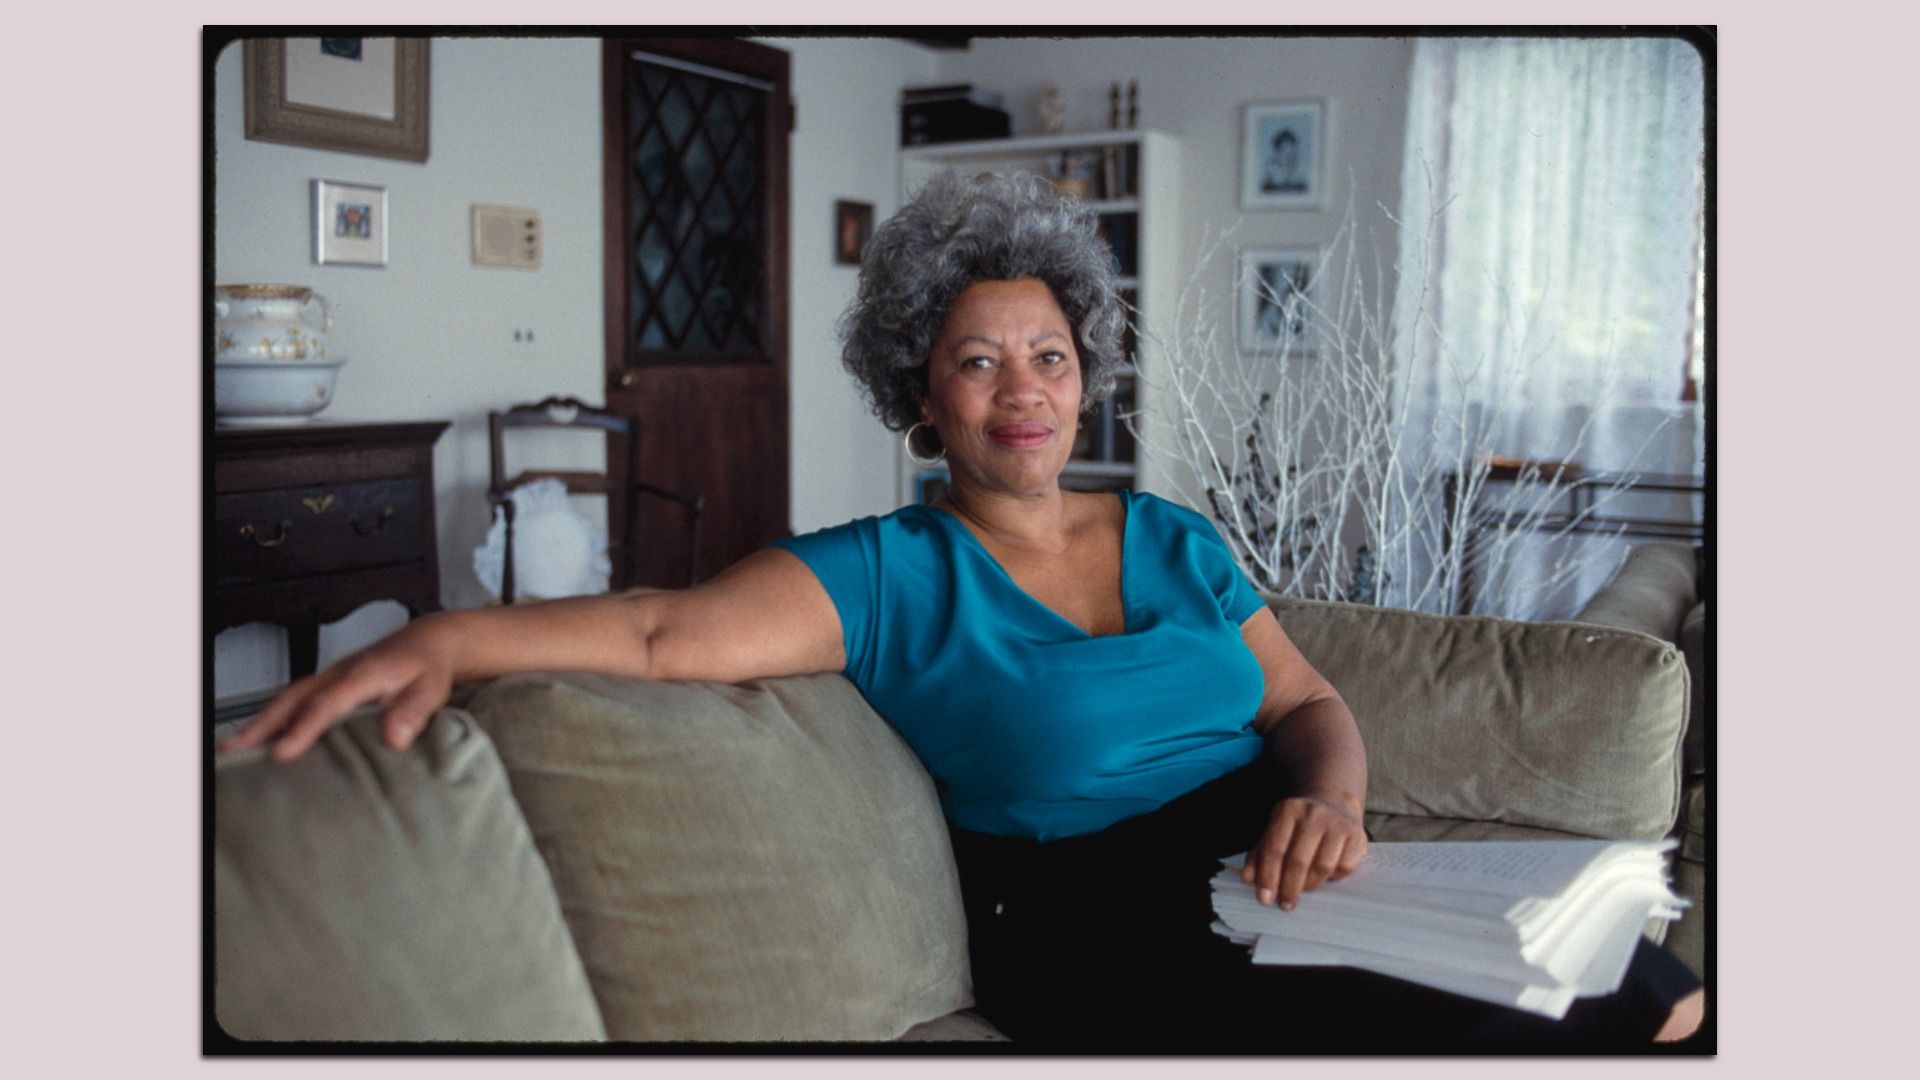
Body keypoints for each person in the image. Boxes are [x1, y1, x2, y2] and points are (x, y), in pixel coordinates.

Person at [222, 171, 1702, 1050]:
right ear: (920, 397)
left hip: (1275, 862)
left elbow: (1310, 705)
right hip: (1107, 928)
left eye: (1048, 356)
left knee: (1651, 985)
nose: (1023, 392)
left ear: (1085, 375)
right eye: (978, 362)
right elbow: (659, 634)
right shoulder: (882, 576)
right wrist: (437, 635)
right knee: (1568, 1024)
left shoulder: (1175, 538)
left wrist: (1334, 798)